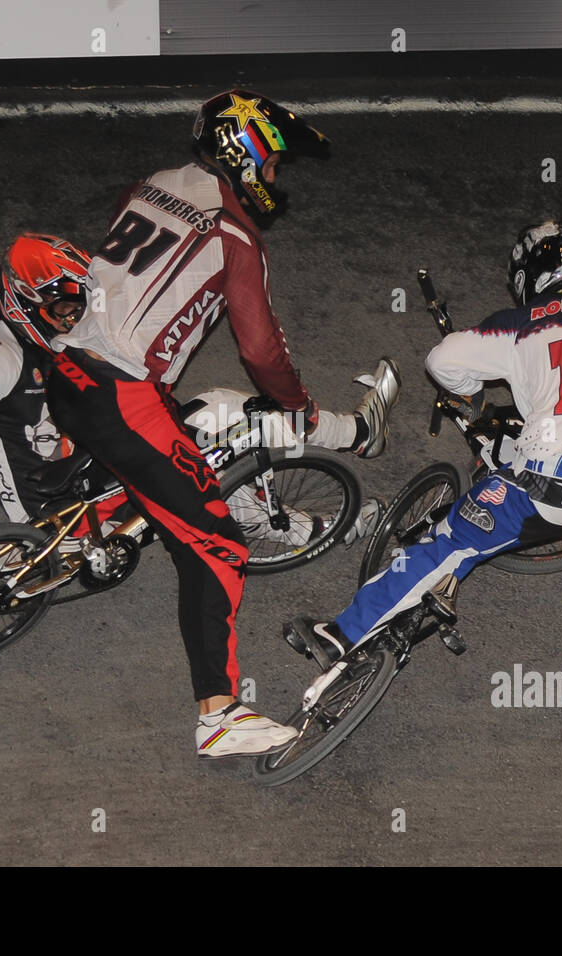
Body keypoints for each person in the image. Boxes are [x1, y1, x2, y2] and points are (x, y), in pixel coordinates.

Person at [46, 90, 399, 758]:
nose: (273, 180)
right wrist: (295, 406)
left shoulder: (152, 185)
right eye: (270, 167)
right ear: (244, 157)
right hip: (123, 398)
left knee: (160, 462)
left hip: (65, 368)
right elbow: (262, 352)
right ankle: (218, 714)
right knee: (215, 543)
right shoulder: (238, 236)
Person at [290, 220, 562, 732]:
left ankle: (342, 633)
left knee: (446, 546)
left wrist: (472, 393)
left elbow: (442, 360)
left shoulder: (525, 322)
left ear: (532, 275)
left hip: (538, 488)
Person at [0, 232, 398, 551]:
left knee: (217, 425)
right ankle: (334, 492)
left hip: (93, 472)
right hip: (68, 510)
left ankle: (349, 444)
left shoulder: (61, 339)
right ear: (23, 303)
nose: (75, 320)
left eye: (79, 307)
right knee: (224, 431)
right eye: (62, 311)